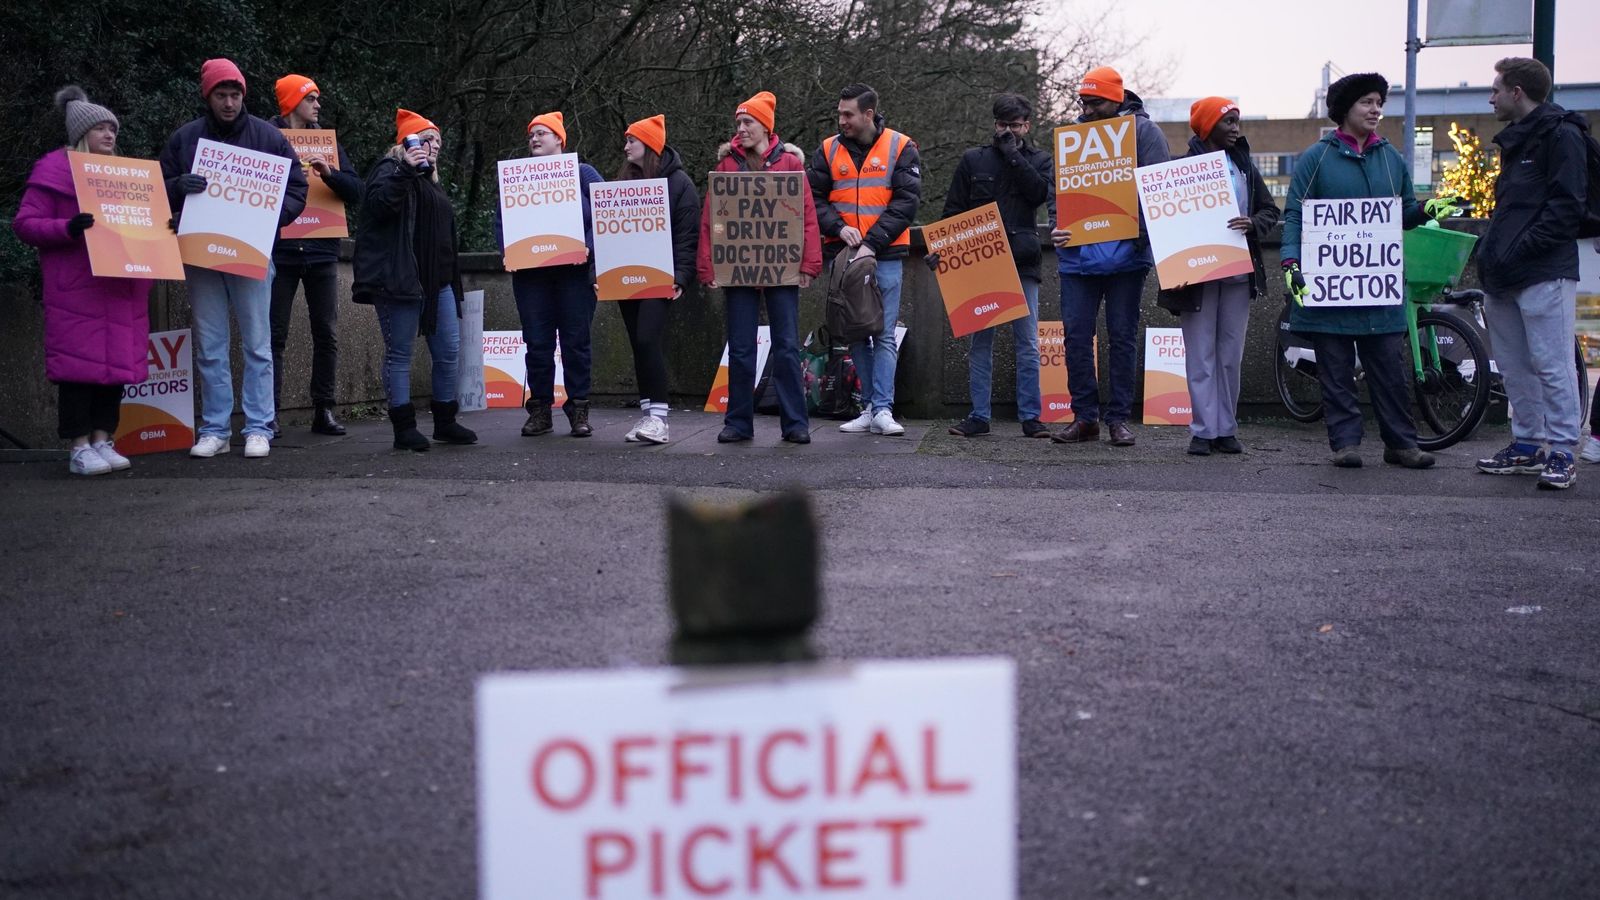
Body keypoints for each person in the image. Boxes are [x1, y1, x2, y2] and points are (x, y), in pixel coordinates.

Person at [1281, 72, 1448, 469]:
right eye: (1367, 103)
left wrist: (1426, 209)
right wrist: (1290, 261)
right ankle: (1345, 444)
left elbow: (1404, 211)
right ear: (1345, 109)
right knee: (1335, 372)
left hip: (1378, 289)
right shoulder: (1315, 158)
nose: (1376, 110)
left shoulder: (1392, 158)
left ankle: (1401, 444)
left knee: (1390, 372)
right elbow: (1295, 215)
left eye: (1379, 103)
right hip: (1331, 289)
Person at [159, 58, 308, 460]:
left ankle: (259, 425)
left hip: (251, 251)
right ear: (208, 96)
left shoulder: (268, 136)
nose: (229, 102)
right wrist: (176, 186)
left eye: (235, 94)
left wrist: (267, 220)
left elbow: (297, 187)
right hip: (202, 254)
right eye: (221, 95)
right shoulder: (185, 139)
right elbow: (156, 190)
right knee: (210, 345)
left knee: (258, 344)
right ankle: (216, 429)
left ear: (244, 95)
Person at [13, 87, 152, 475]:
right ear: (81, 133)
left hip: (119, 287)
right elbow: (25, 224)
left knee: (115, 369)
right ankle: (78, 447)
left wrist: (163, 227)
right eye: (102, 128)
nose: (111, 135)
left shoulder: (126, 176)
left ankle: (102, 440)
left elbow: (143, 226)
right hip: (78, 289)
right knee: (79, 370)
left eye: (113, 129)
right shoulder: (54, 172)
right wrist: (67, 228)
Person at [1474, 57, 1591, 490]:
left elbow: (1566, 207)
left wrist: (1516, 250)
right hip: (1507, 272)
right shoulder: (1521, 139)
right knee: (1515, 365)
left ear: (1516, 92)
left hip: (1542, 269)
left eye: (1496, 89)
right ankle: (1527, 445)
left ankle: (1561, 450)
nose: (1491, 97)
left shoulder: (1562, 135)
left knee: (1552, 362)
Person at [1049, 67, 1171, 448]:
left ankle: (1117, 419)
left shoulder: (1145, 133)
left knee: (1122, 337)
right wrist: (1056, 226)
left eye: (1095, 102)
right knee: (1075, 337)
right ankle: (1085, 418)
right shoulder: (1072, 138)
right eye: (1083, 102)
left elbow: (1159, 185)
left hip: (1128, 257)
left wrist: (1141, 237)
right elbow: (1058, 190)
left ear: (1116, 98)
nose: (1087, 109)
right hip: (1077, 256)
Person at [696, 91, 822, 445]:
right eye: (738, 122)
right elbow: (711, 220)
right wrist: (709, 268)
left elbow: (807, 217)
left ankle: (795, 423)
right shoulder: (726, 165)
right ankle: (737, 422)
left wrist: (809, 266)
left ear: (766, 126)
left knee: (786, 345)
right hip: (738, 270)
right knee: (739, 347)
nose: (741, 128)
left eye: (748, 121)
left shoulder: (791, 165)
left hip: (782, 269)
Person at [1158, 97, 1281, 456]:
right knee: (1200, 354)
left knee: (1230, 354)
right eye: (1228, 121)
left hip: (1237, 272)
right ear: (1208, 125)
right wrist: (1172, 268)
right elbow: (1166, 222)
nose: (1236, 129)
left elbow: (1270, 210)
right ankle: (1202, 430)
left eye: (1237, 121)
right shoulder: (1179, 169)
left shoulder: (1244, 166)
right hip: (1195, 277)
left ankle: (1225, 428)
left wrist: (1252, 224)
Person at [351, 109, 477, 451]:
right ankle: (403, 427)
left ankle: (445, 421)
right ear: (407, 142)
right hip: (401, 281)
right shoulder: (390, 169)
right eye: (426, 139)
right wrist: (406, 168)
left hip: (438, 283)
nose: (434, 145)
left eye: (438, 140)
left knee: (449, 351)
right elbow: (378, 206)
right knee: (400, 354)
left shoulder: (431, 183)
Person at [808, 83, 922, 436]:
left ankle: (883, 408)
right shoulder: (827, 150)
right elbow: (813, 198)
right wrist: (839, 228)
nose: (841, 120)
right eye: (839, 113)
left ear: (868, 114)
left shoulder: (901, 147)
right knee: (856, 334)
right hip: (844, 257)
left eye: (848, 114)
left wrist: (872, 242)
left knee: (884, 334)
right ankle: (871, 407)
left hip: (884, 254)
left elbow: (906, 202)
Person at [943, 93, 1053, 439]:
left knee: (1027, 342)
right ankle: (979, 415)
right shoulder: (974, 160)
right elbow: (953, 211)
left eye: (1015, 125)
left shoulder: (1040, 160)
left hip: (1022, 259)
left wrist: (1014, 156)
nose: (1008, 131)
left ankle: (1031, 417)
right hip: (981, 261)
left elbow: (1038, 195)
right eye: (1003, 125)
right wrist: (943, 251)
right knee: (980, 343)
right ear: (994, 123)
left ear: (1027, 125)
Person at [497, 111, 603, 438]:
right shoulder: (516, 177)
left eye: (542, 133)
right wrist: (507, 252)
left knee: (576, 342)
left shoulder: (583, 174)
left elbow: (606, 211)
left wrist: (588, 247)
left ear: (560, 139)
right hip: (531, 276)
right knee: (537, 343)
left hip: (574, 274)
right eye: (531, 135)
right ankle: (540, 410)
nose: (535, 139)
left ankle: (578, 410)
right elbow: (500, 220)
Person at [268, 74, 363, 438]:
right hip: (282, 249)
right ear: (292, 102)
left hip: (322, 250)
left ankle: (324, 410)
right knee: (273, 336)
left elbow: (357, 190)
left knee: (326, 334)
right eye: (311, 98)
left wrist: (331, 173)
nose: (318, 105)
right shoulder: (268, 138)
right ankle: (269, 415)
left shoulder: (327, 143)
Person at [614, 114, 700, 445]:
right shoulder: (624, 180)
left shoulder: (680, 184)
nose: (625, 147)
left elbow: (686, 235)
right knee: (639, 343)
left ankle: (659, 419)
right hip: (625, 277)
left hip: (659, 277)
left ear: (648, 144)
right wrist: (601, 275)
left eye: (631, 141)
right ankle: (648, 411)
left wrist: (680, 276)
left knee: (648, 339)